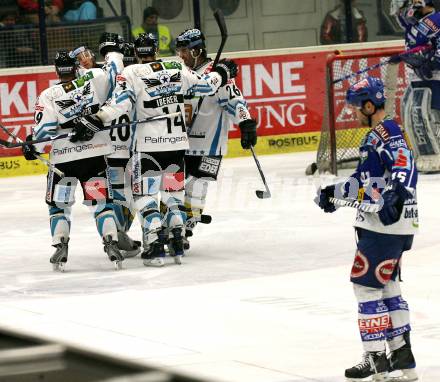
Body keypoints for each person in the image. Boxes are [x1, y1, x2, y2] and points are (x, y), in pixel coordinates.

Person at [75, 32, 238, 267]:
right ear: (156, 51)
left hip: (148, 148)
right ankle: (177, 239)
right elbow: (205, 85)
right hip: (177, 146)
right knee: (173, 196)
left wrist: (95, 119)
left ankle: (154, 247)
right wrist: (222, 73)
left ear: (135, 53)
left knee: (146, 196)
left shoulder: (131, 72)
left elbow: (118, 104)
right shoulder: (175, 66)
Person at [317, 77, 418, 382]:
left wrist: (397, 192)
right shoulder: (382, 133)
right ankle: (403, 358)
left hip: (382, 228)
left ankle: (375, 358)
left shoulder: (383, 132)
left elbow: (404, 163)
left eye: (356, 107)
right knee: (388, 286)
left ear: (370, 105)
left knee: (365, 286)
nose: (353, 113)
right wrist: (334, 193)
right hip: (395, 225)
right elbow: (367, 184)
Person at [21, 33, 125, 271]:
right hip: (94, 156)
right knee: (102, 203)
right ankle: (111, 241)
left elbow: (44, 131)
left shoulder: (49, 96)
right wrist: (113, 52)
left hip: (63, 162)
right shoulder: (96, 78)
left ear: (57, 71)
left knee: (59, 205)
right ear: (76, 66)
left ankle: (60, 245)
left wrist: (31, 146)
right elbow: (114, 73)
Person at [175, 28, 257, 250]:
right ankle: (174, 227)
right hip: (181, 143)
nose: (180, 55)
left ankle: (185, 227)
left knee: (197, 185)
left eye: (184, 50)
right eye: (179, 50)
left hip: (209, 143)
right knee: (174, 188)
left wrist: (245, 122)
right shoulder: (181, 73)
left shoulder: (218, 74)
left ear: (197, 50)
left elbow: (235, 101)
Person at [390, 0, 440, 172]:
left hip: (435, 79)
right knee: (417, 115)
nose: (403, 13)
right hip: (421, 80)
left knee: (432, 117)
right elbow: (419, 47)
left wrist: (431, 62)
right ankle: (428, 154)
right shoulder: (416, 24)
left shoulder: (435, 20)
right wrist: (412, 59)